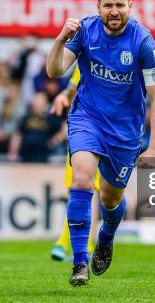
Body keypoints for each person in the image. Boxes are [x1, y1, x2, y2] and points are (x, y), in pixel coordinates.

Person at [46, 0, 155, 286]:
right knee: (82, 178)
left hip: (125, 133)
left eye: (120, 5)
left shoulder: (143, 43)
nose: (114, 11)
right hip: (87, 118)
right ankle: (79, 263)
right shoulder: (85, 30)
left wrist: (154, 147)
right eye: (108, 5)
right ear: (98, 6)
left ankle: (107, 237)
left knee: (111, 199)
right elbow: (55, 70)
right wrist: (61, 38)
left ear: (131, 6)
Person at [49, 66, 101, 262]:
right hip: (81, 129)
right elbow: (71, 88)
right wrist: (63, 95)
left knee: (93, 191)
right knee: (78, 188)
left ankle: (71, 243)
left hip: (104, 130)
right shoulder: (84, 58)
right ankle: (76, 244)